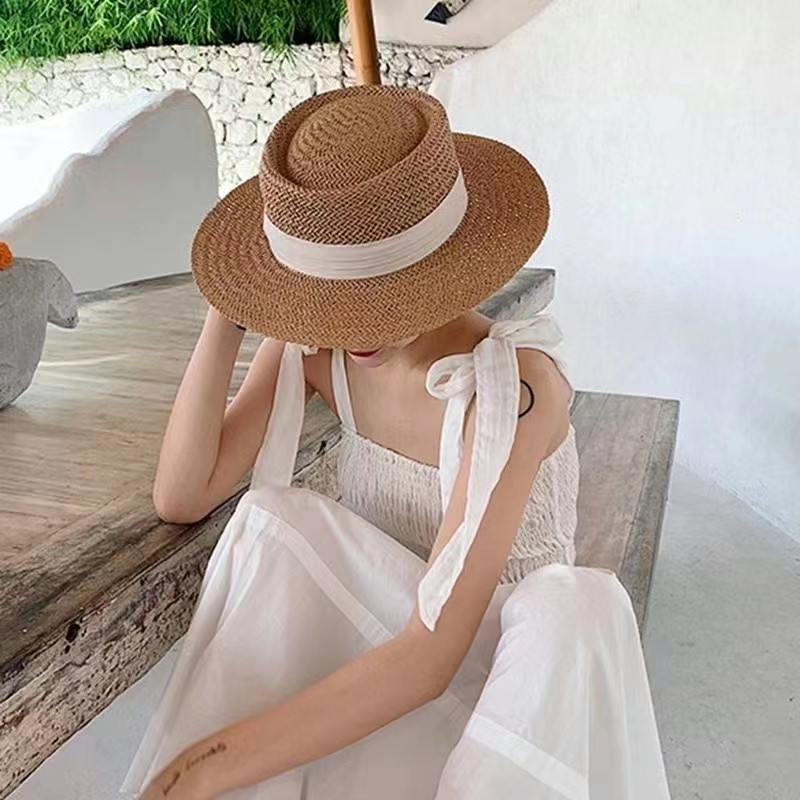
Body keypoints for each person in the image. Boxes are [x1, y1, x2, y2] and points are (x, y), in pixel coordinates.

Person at [120, 85, 671, 799]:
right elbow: (182, 493)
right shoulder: (319, 350)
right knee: (270, 519)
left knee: (574, 606)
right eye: (334, 298)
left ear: (444, 264)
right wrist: (231, 305)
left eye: (382, 296)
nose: (358, 330)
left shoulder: (512, 389)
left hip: (505, 694)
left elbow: (431, 657)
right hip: (379, 661)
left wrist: (205, 764)